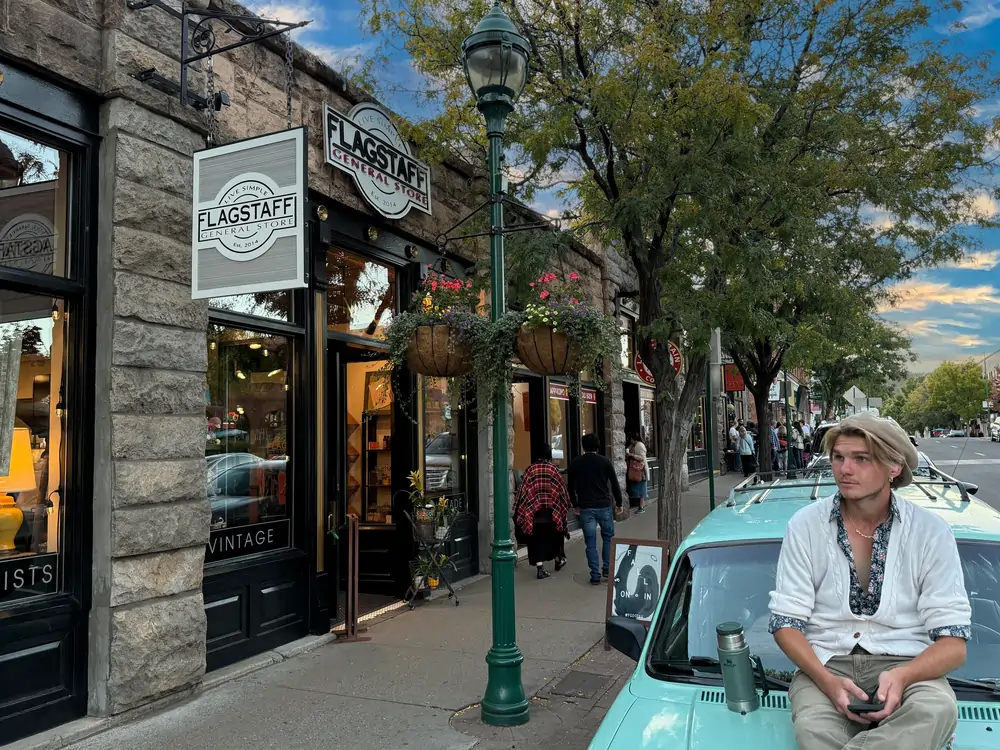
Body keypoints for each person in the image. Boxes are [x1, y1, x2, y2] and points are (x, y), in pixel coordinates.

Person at [768, 412, 970, 750]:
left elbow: (953, 643)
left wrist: (903, 676)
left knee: (936, 709)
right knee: (813, 730)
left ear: (894, 467)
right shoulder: (805, 526)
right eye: (838, 457)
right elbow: (786, 622)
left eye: (861, 459)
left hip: (909, 665)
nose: (844, 469)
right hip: (825, 663)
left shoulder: (931, 532)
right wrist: (827, 682)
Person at [568, 432, 624, 585]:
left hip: (586, 507)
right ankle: (607, 567)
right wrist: (619, 502)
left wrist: (575, 504)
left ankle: (595, 574)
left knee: (590, 542)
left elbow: (570, 487)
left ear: (583, 446)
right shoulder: (605, 462)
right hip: (604, 505)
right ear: (598, 445)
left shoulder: (576, 462)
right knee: (608, 538)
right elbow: (614, 483)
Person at [513, 445, 570, 579]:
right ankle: (558, 559)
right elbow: (561, 490)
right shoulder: (553, 470)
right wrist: (567, 504)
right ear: (549, 455)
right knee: (555, 536)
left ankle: (540, 569)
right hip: (552, 513)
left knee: (536, 540)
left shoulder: (530, 470)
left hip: (534, 515)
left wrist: (518, 508)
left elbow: (522, 492)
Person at [625, 430, 649, 514]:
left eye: (630, 439)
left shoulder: (639, 445)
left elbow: (642, 457)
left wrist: (632, 455)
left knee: (641, 488)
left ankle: (641, 506)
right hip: (635, 468)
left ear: (633, 439)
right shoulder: (633, 445)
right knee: (637, 486)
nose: (630, 441)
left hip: (640, 469)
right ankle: (638, 504)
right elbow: (627, 449)